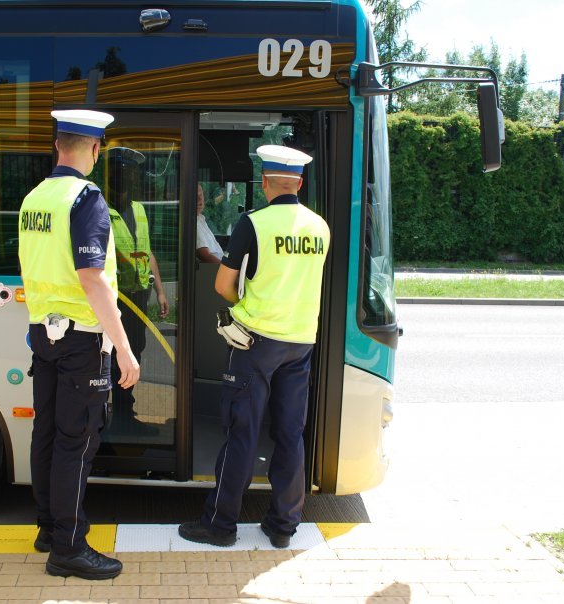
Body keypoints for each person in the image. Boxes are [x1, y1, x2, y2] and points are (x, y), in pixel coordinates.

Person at [178, 145, 331, 549]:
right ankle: (283, 526)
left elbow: (223, 285)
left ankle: (220, 524)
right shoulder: (320, 227)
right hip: (300, 344)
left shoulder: (254, 223)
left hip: (255, 344)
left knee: (242, 432)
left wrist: (242, 304)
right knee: (290, 434)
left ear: (265, 182)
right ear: (298, 182)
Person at [18, 109, 139, 580]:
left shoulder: (34, 199)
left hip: (42, 335)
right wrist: (123, 348)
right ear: (93, 149)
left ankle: (49, 528)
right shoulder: (85, 199)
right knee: (77, 440)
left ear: (57, 147)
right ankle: (68, 548)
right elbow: (93, 279)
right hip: (81, 339)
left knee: (47, 433)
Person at [104, 146, 168, 437]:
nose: (127, 178)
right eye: (122, 172)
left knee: (135, 353)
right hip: (114, 298)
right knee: (114, 355)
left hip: (138, 295)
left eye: (131, 174)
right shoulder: (100, 209)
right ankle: (116, 416)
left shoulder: (139, 210)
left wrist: (160, 290)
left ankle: (124, 412)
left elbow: (147, 251)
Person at [195, 183, 224, 263]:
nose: (200, 200)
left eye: (201, 195)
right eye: (195, 196)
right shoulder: (192, 224)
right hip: (211, 270)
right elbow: (204, 255)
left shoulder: (200, 219)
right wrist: (225, 269)